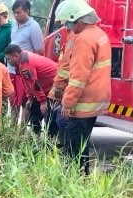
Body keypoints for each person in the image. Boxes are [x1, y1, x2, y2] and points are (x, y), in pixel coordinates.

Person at [58, 0, 111, 175]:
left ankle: (75, 181)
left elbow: (78, 78)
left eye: (69, 23)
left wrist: (67, 102)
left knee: (74, 151)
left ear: (79, 21)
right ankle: (82, 180)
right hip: (96, 100)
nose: (68, 27)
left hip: (82, 102)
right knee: (83, 145)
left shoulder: (83, 39)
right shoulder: (100, 34)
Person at [5, 44, 58, 139]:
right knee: (34, 113)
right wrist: (29, 98)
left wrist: (43, 101)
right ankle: (36, 138)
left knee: (48, 114)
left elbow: (34, 83)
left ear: (16, 56)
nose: (7, 62)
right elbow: (26, 82)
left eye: (9, 59)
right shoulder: (21, 60)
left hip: (53, 85)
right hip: (44, 87)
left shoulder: (25, 64)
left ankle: (52, 141)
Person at [9, 0, 45, 119]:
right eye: (14, 13)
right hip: (12, 69)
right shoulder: (14, 25)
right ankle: (12, 128)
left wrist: (27, 65)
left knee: (25, 100)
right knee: (13, 98)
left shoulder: (34, 27)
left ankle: (23, 130)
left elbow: (39, 51)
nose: (16, 15)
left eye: (19, 12)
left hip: (25, 70)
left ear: (27, 11)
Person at [48, 1, 75, 146]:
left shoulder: (76, 38)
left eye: (65, 22)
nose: (64, 25)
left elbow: (67, 68)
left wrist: (59, 90)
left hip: (69, 90)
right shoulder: (72, 36)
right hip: (67, 88)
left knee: (63, 121)